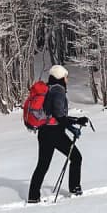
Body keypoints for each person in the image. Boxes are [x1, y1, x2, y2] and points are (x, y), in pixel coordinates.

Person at [27, 65, 88, 202]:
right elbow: (59, 115)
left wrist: (71, 124)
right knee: (76, 157)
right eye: (66, 76)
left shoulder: (48, 88)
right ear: (61, 77)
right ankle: (75, 188)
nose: (67, 79)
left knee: (42, 165)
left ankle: (33, 196)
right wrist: (76, 120)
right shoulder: (58, 90)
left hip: (43, 131)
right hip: (54, 132)